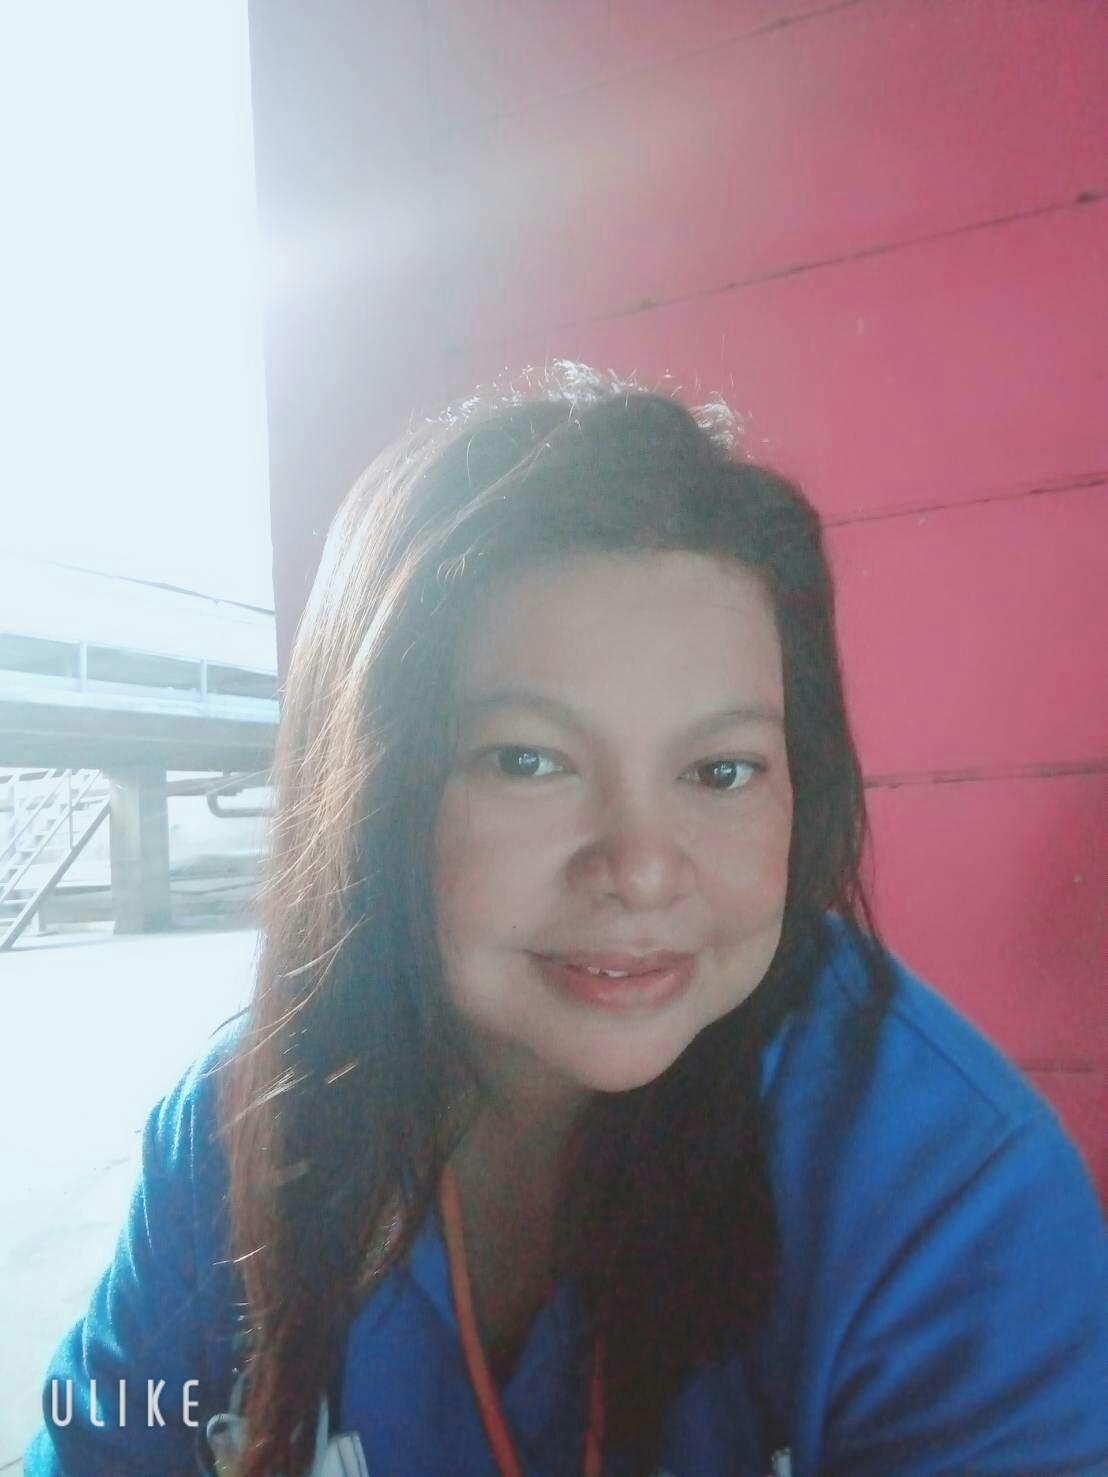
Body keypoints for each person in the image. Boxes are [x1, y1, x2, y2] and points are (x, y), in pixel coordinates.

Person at [26, 365, 1108, 1477]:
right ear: (373, 788)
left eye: (721, 769)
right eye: (528, 761)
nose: (640, 868)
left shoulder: (952, 1200)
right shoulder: (240, 1132)